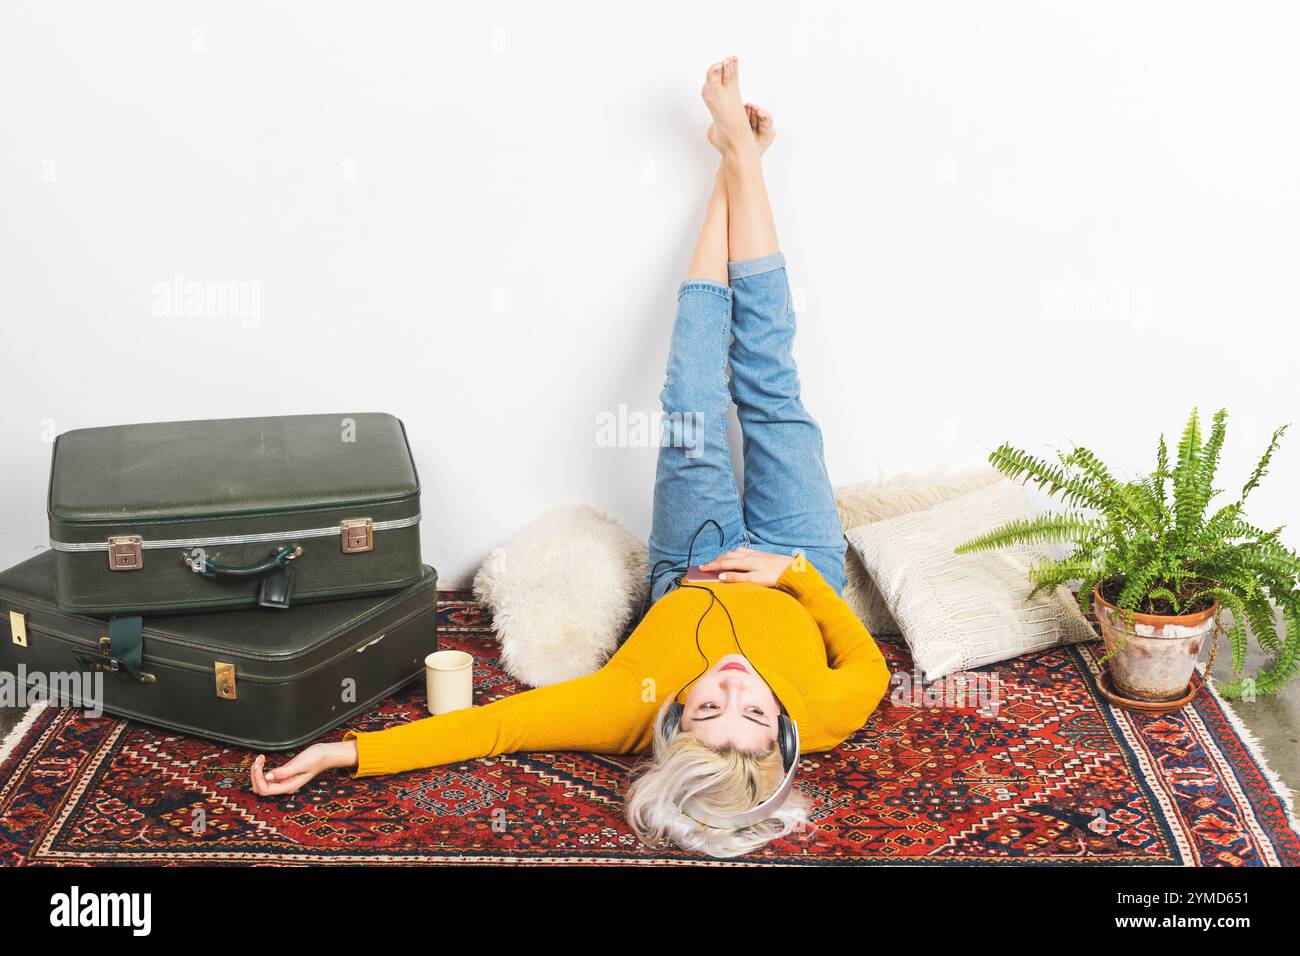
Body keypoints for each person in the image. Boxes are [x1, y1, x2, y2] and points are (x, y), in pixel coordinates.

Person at [250, 57, 890, 858]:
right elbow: (868, 663)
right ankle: (746, 161)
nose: (732, 686)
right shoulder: (825, 716)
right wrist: (791, 575)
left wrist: (348, 752)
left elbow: (497, 729)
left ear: (669, 723)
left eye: (709, 710)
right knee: (770, 388)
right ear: (782, 735)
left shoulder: (624, 707)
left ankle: (735, 162)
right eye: (754, 713)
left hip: (693, 560)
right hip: (803, 561)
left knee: (691, 397)